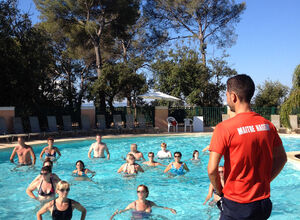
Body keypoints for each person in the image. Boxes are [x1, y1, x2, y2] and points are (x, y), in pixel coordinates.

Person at [207, 74, 287, 220]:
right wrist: (266, 180)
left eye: (226, 94)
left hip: (236, 203)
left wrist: (220, 192)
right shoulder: (267, 125)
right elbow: (282, 158)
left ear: (233, 96)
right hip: (262, 203)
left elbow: (212, 169)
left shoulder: (224, 128)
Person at [110, 184, 176, 220]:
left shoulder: (150, 203)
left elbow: (160, 207)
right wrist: (115, 214)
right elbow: (123, 211)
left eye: (142, 191)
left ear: (146, 193)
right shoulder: (134, 204)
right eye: (138, 191)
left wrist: (170, 209)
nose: (140, 193)